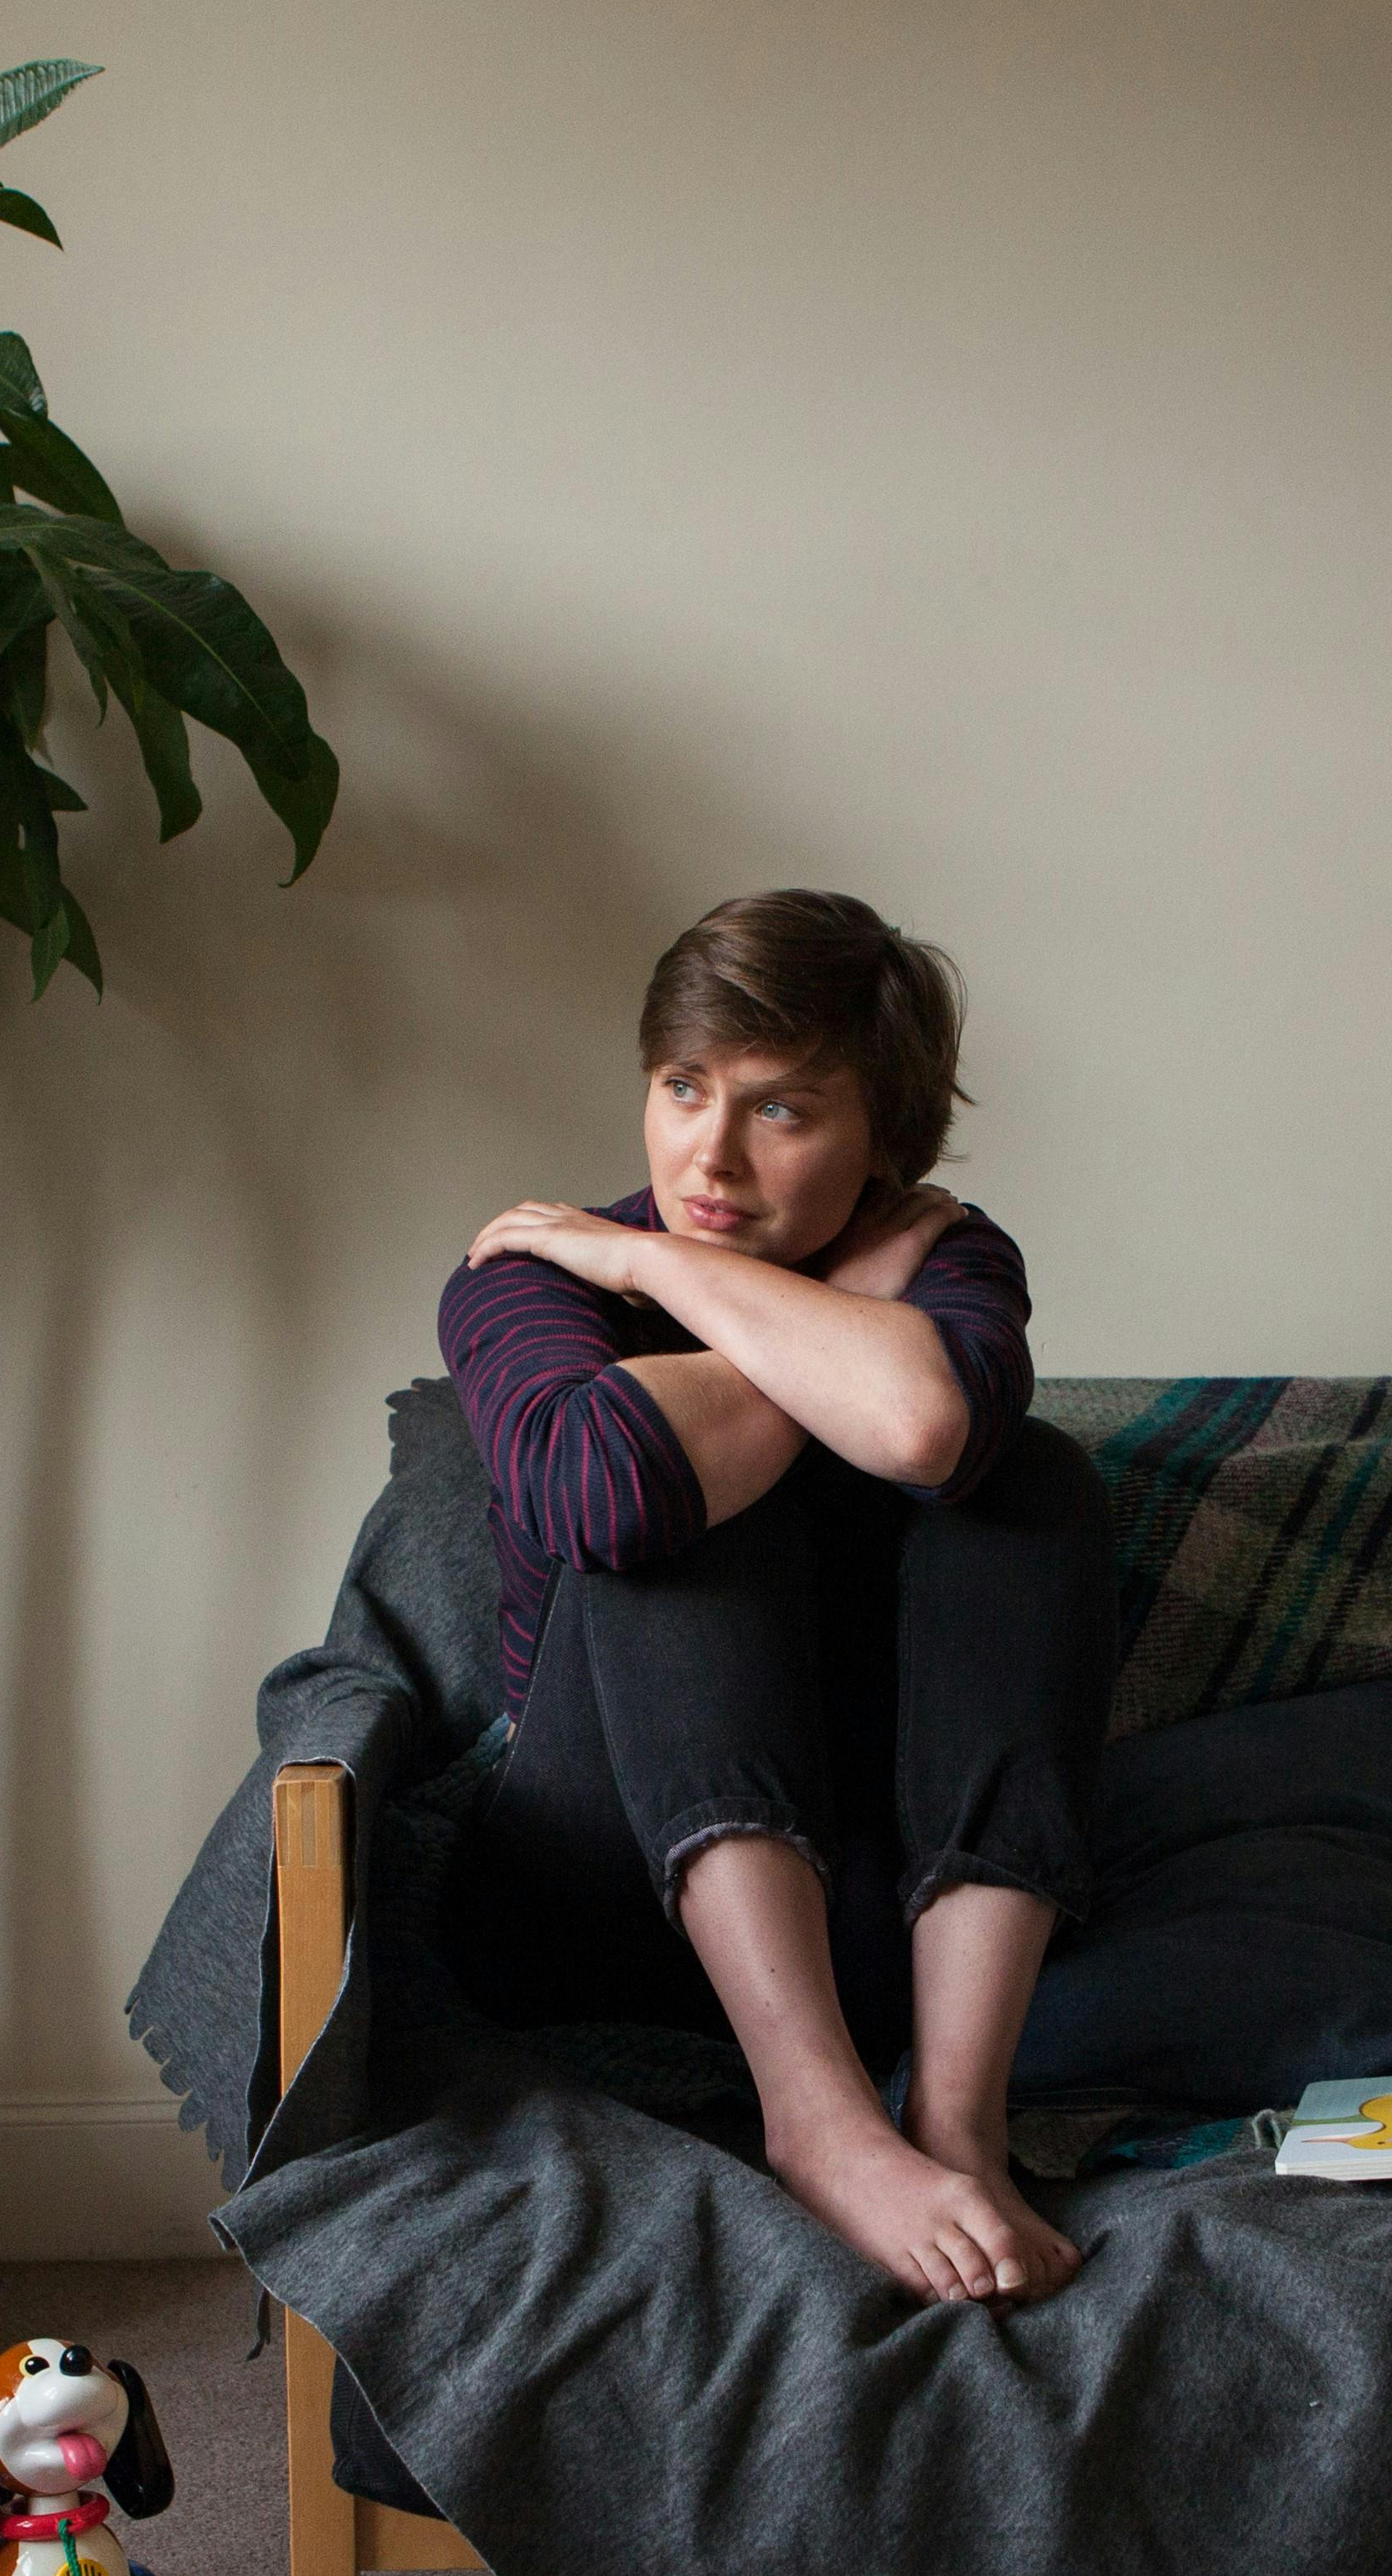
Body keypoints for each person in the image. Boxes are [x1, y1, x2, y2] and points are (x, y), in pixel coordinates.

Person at [439, 890, 1119, 2306]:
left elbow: (925, 1431)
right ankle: (818, 2122)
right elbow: (599, 1496)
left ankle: (955, 2121)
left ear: (884, 1139)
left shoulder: (949, 1253)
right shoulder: (535, 1269)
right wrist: (678, 1272)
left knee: (1028, 1483)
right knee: (680, 1515)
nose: (710, 1154)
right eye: (683, 1087)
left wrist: (682, 1278)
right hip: (603, 1881)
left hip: (881, 1891)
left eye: (783, 1110)